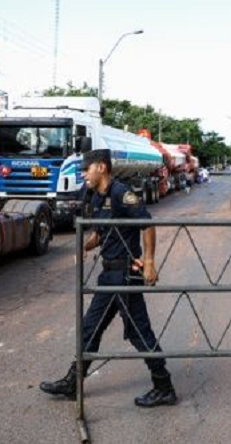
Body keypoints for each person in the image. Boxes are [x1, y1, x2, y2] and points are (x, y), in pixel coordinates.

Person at [39, 148, 177, 408]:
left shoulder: (120, 193)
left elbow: (147, 224)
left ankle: (164, 386)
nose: (83, 175)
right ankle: (73, 382)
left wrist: (149, 263)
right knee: (90, 327)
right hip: (109, 275)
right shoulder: (95, 197)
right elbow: (102, 233)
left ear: (101, 167)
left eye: (86, 170)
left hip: (125, 274)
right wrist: (85, 245)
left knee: (138, 332)